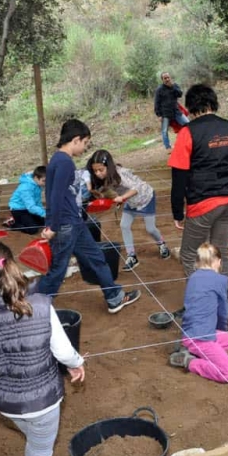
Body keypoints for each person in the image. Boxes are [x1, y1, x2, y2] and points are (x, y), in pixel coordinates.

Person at [0, 241, 85, 456]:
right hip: (45, 402)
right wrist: (76, 364)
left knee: (36, 440)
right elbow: (62, 351)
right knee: (42, 454)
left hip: (9, 405)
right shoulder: (40, 305)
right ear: (13, 267)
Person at [37, 119, 140, 314]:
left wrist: (52, 222)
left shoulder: (56, 160)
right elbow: (56, 196)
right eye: (85, 143)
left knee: (96, 258)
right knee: (57, 271)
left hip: (74, 222)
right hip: (66, 225)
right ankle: (34, 311)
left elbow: (53, 194)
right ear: (76, 139)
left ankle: (114, 297)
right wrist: (52, 226)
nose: (85, 148)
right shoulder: (64, 162)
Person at [169, 83, 228, 285]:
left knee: (189, 254)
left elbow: (179, 177)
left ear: (191, 107)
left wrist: (177, 212)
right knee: (219, 252)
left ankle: (202, 302)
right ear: (213, 102)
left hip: (203, 204)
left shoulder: (188, 132)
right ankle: (223, 307)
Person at [169, 243, 228, 383]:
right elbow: (223, 311)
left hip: (193, 331)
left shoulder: (193, 277)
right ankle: (189, 361)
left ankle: (194, 349)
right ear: (218, 262)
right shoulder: (221, 280)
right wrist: (221, 329)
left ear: (197, 262)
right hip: (202, 337)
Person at [86, 149, 171, 271]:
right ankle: (132, 256)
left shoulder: (120, 174)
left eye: (101, 170)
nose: (98, 173)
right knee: (124, 225)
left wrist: (122, 198)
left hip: (145, 198)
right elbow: (108, 192)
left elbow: (136, 188)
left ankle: (162, 244)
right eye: (95, 171)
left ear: (108, 167)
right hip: (131, 202)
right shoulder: (104, 178)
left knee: (150, 228)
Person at [5, 166, 46, 234]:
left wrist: (42, 212)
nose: (46, 183)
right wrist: (44, 213)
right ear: (36, 178)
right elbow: (31, 207)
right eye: (44, 181)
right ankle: (12, 223)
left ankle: (25, 220)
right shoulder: (26, 188)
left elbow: (38, 201)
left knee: (42, 222)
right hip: (18, 209)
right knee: (32, 230)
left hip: (28, 207)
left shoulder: (37, 185)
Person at [154, 72, 189, 151]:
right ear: (162, 80)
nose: (167, 79)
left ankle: (189, 142)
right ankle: (168, 147)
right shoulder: (159, 89)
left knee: (188, 124)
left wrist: (172, 87)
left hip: (176, 111)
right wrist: (158, 115)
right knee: (164, 131)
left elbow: (180, 94)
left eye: (168, 77)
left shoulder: (174, 86)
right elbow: (156, 103)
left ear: (170, 77)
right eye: (165, 78)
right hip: (165, 113)